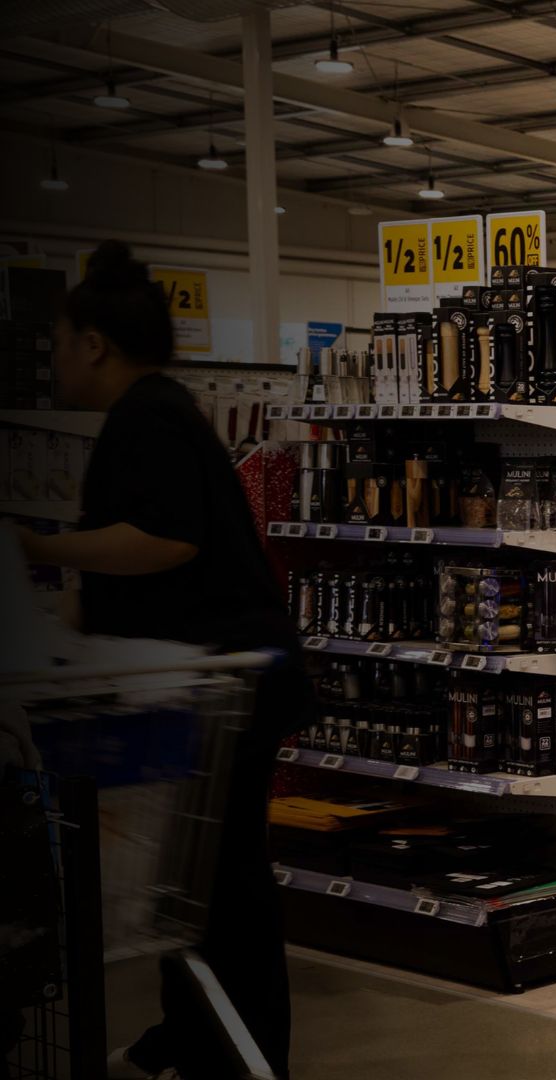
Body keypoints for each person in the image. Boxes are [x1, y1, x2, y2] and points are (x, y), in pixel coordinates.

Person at [13, 241, 304, 1079]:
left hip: (230, 686)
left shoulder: (148, 415)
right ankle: (191, 1039)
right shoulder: (154, 411)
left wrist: (35, 542)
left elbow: (168, 540)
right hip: (211, 684)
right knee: (188, 885)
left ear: (93, 342)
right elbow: (112, 577)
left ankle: (246, 1057)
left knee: (221, 889)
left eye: (63, 340)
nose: (59, 356)